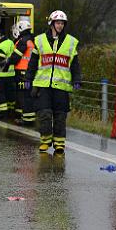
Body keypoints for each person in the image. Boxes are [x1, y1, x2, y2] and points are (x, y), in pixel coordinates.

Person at [25, 10, 81, 154]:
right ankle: (45, 140)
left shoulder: (71, 42)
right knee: (44, 114)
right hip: (43, 86)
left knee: (60, 116)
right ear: (51, 23)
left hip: (61, 86)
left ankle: (59, 144)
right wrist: (28, 78)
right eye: (58, 23)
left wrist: (76, 79)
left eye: (62, 23)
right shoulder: (39, 40)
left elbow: (75, 64)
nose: (60, 26)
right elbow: (32, 63)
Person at [0, 28, 21, 119]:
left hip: (1, 75)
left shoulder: (2, 45)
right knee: (10, 95)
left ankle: (3, 113)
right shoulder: (10, 42)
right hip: (10, 75)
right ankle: (11, 111)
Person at [12, 21, 36, 125]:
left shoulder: (23, 41)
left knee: (23, 95)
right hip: (30, 71)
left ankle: (27, 119)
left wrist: (8, 63)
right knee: (28, 94)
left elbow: (15, 57)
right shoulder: (33, 40)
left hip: (22, 72)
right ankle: (27, 116)